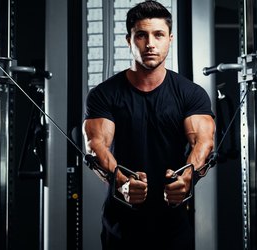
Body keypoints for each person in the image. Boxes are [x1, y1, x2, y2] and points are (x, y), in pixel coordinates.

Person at [82, 1, 216, 249]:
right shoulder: (104, 94)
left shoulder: (191, 94)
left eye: (158, 35)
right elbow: (96, 145)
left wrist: (187, 178)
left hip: (173, 227)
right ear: (128, 40)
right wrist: (121, 181)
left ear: (170, 39)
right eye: (141, 35)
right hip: (120, 228)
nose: (150, 44)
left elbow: (203, 142)